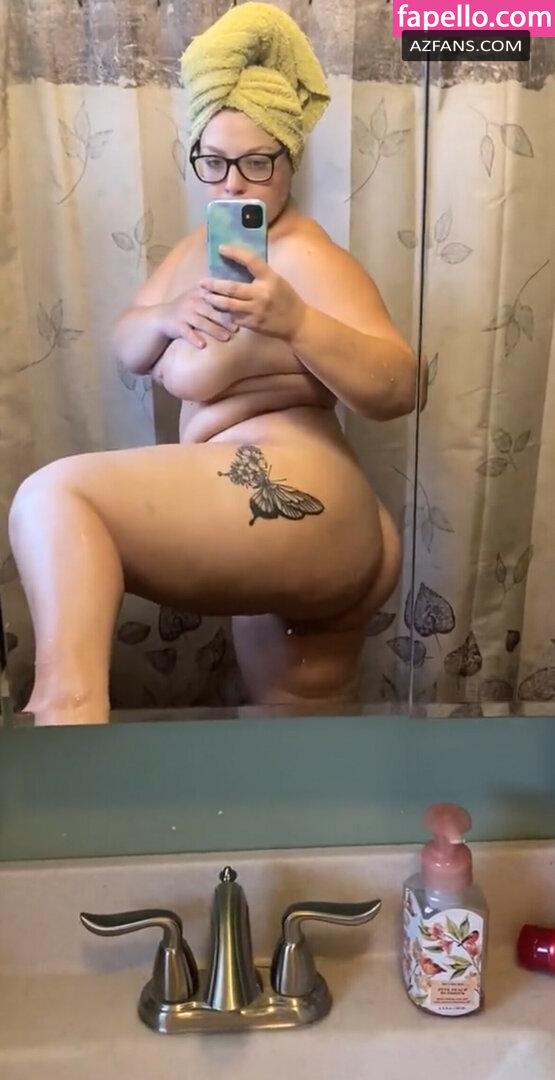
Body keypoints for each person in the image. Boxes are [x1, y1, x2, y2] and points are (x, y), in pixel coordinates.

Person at [8, 3, 418, 725]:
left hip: (299, 489)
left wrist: (297, 321)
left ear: (288, 163)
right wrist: (166, 316)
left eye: (257, 162)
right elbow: (128, 344)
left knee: (53, 498)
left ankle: (66, 716)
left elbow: (398, 385)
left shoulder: (304, 255)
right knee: (298, 721)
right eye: (215, 161)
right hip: (292, 516)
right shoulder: (193, 252)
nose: (233, 184)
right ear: (196, 161)